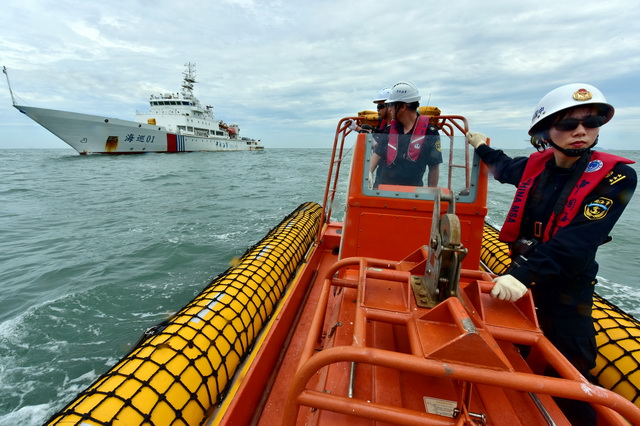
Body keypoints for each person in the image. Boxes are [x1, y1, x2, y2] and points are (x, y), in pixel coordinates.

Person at [466, 83, 637, 424]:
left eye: (591, 122)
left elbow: (580, 240)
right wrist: (481, 146)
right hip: (523, 280)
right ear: (546, 131)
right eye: (567, 124)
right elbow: (502, 166)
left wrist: (521, 275)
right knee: (518, 354)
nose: (580, 131)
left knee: (572, 375)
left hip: (566, 292)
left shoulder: (617, 177)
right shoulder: (535, 167)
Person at [370, 81, 442, 187]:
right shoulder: (389, 130)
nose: (389, 109)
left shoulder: (430, 132)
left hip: (412, 195)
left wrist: (430, 194)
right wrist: (368, 174)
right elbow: (377, 154)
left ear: (402, 107)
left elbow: (434, 167)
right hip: (383, 192)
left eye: (391, 105)